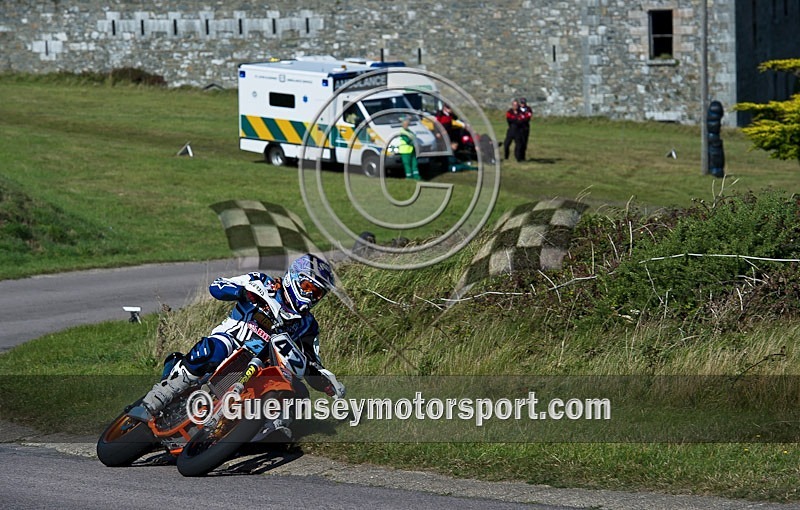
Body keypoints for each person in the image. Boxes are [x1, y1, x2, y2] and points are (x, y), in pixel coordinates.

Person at [127, 254, 345, 437]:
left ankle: (271, 430)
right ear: (295, 278)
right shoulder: (261, 282)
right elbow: (217, 286)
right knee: (212, 350)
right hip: (232, 341)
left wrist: (326, 382)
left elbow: (309, 361)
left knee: (299, 393)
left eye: (317, 293)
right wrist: (242, 292)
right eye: (308, 287)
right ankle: (157, 398)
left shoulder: (308, 325)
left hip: (265, 366)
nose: (311, 296)